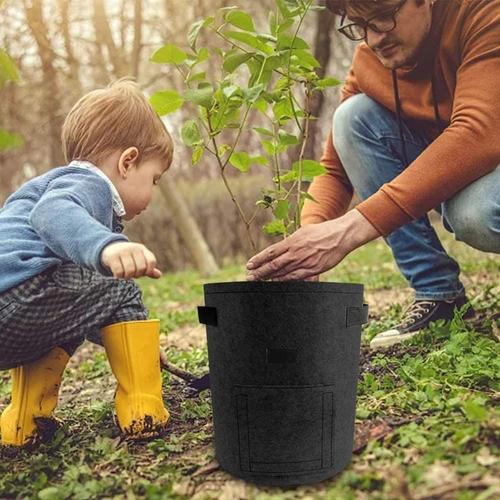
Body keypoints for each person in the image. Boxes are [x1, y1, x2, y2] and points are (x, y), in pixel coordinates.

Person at [246, 0, 500, 349]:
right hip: (468, 169)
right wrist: (308, 243)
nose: (373, 38)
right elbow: (335, 170)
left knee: (476, 213)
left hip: (487, 159)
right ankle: (440, 295)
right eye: (359, 24)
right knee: (352, 118)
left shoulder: (483, 13)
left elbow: (478, 132)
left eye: (383, 18)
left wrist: (350, 230)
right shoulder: (371, 60)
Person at [0, 79, 173, 447]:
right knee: (120, 287)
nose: (153, 193)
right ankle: (142, 406)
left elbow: (81, 303)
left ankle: (25, 423)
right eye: (154, 178)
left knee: (84, 305)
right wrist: (107, 247)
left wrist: (131, 339)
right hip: (17, 299)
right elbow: (52, 214)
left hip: (15, 316)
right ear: (128, 162)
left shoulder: (48, 183)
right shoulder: (88, 183)